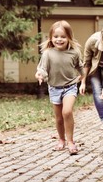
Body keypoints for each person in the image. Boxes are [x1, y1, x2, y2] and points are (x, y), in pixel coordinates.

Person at [35, 20, 84, 155]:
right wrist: (40, 75)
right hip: (54, 88)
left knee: (67, 112)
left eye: (63, 36)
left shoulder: (74, 52)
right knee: (58, 118)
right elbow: (43, 69)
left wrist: (83, 81)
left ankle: (70, 141)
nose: (59, 39)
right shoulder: (47, 54)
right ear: (51, 38)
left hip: (70, 86)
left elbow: (80, 67)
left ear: (69, 37)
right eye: (56, 36)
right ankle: (61, 139)